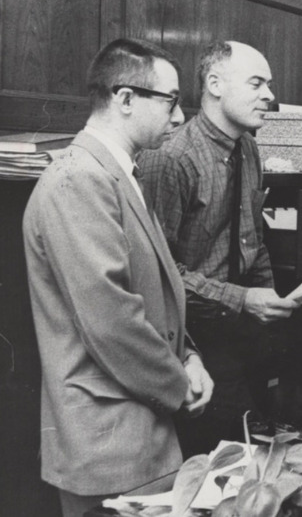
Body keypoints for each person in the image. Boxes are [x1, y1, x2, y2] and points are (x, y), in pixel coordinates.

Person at [22, 38, 214, 517]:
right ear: (125, 98)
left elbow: (153, 293)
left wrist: (189, 355)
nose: (178, 117)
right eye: (170, 100)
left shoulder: (118, 174)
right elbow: (112, 320)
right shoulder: (79, 179)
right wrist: (180, 385)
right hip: (108, 441)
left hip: (136, 432)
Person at [138, 40, 299, 456]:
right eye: (257, 83)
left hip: (244, 330)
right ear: (214, 84)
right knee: (219, 453)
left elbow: (251, 236)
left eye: (270, 84)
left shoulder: (248, 147)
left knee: (256, 451)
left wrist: (271, 303)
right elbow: (159, 273)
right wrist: (244, 299)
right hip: (194, 336)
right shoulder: (172, 158)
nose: (270, 96)